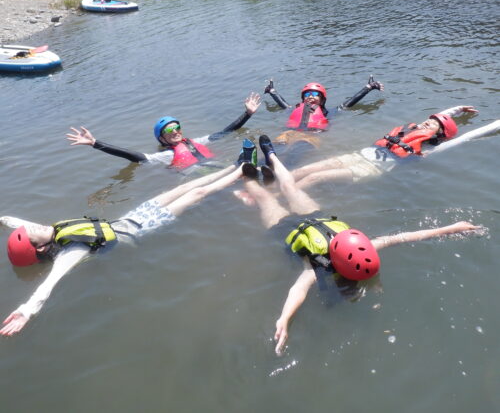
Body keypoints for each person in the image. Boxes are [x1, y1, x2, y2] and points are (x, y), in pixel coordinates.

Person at [239, 136, 481, 355]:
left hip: (287, 230)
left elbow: (298, 291)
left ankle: (246, 173)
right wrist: (449, 228)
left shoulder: (317, 267)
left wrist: (284, 318)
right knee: (289, 186)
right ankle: (270, 154)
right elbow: (403, 237)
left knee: (264, 197)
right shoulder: (358, 251)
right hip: (316, 217)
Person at [0, 146, 261, 336]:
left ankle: (233, 165)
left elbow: (15, 222)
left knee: (181, 188)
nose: (34, 225)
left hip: (128, 219)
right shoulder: (71, 250)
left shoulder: (52, 232)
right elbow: (49, 284)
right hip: (140, 229)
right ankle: (241, 170)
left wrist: (3, 219)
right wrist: (26, 310)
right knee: (198, 193)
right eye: (33, 233)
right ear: (42, 248)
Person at [290, 105, 491, 189]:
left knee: (315, 177)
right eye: (427, 121)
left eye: (431, 125)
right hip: (357, 155)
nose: (424, 124)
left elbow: (467, 137)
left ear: (439, 134)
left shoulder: (429, 148)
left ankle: (281, 196)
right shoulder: (412, 129)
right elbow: (438, 117)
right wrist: (459, 109)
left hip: (369, 168)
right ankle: (267, 191)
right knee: (304, 170)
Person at [66, 92, 261, 170]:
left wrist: (247, 114)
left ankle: (248, 165)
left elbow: (226, 132)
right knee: (239, 168)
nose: (176, 131)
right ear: (162, 138)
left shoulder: (197, 141)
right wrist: (95, 143)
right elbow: (133, 156)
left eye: (177, 127)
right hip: (200, 176)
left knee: (251, 166)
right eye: (170, 131)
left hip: (217, 167)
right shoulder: (166, 156)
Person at [264, 76, 384, 132]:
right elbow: (282, 104)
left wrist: (368, 87)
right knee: (280, 142)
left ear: (322, 100)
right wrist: (272, 91)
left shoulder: (328, 113)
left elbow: (349, 103)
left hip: (310, 137)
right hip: (291, 132)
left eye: (314, 94)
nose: (310, 96)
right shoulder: (295, 109)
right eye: (306, 95)